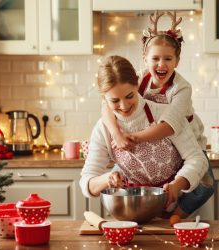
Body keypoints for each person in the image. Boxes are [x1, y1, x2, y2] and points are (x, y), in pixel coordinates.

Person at [102, 10, 215, 208]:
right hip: (156, 143)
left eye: (168, 59)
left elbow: (169, 126)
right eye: (155, 59)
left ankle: (178, 214)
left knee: (205, 185)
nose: (161, 64)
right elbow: (106, 105)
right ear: (145, 58)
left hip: (187, 140)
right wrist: (116, 133)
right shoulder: (138, 78)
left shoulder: (182, 88)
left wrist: (133, 138)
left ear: (177, 61)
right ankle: (156, 212)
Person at [80, 55, 209, 218]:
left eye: (129, 96)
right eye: (114, 101)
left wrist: (177, 184)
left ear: (137, 84)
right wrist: (108, 179)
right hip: (132, 212)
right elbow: (87, 181)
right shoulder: (103, 129)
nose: (124, 106)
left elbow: (197, 158)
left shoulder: (165, 115)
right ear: (104, 99)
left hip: (177, 212)